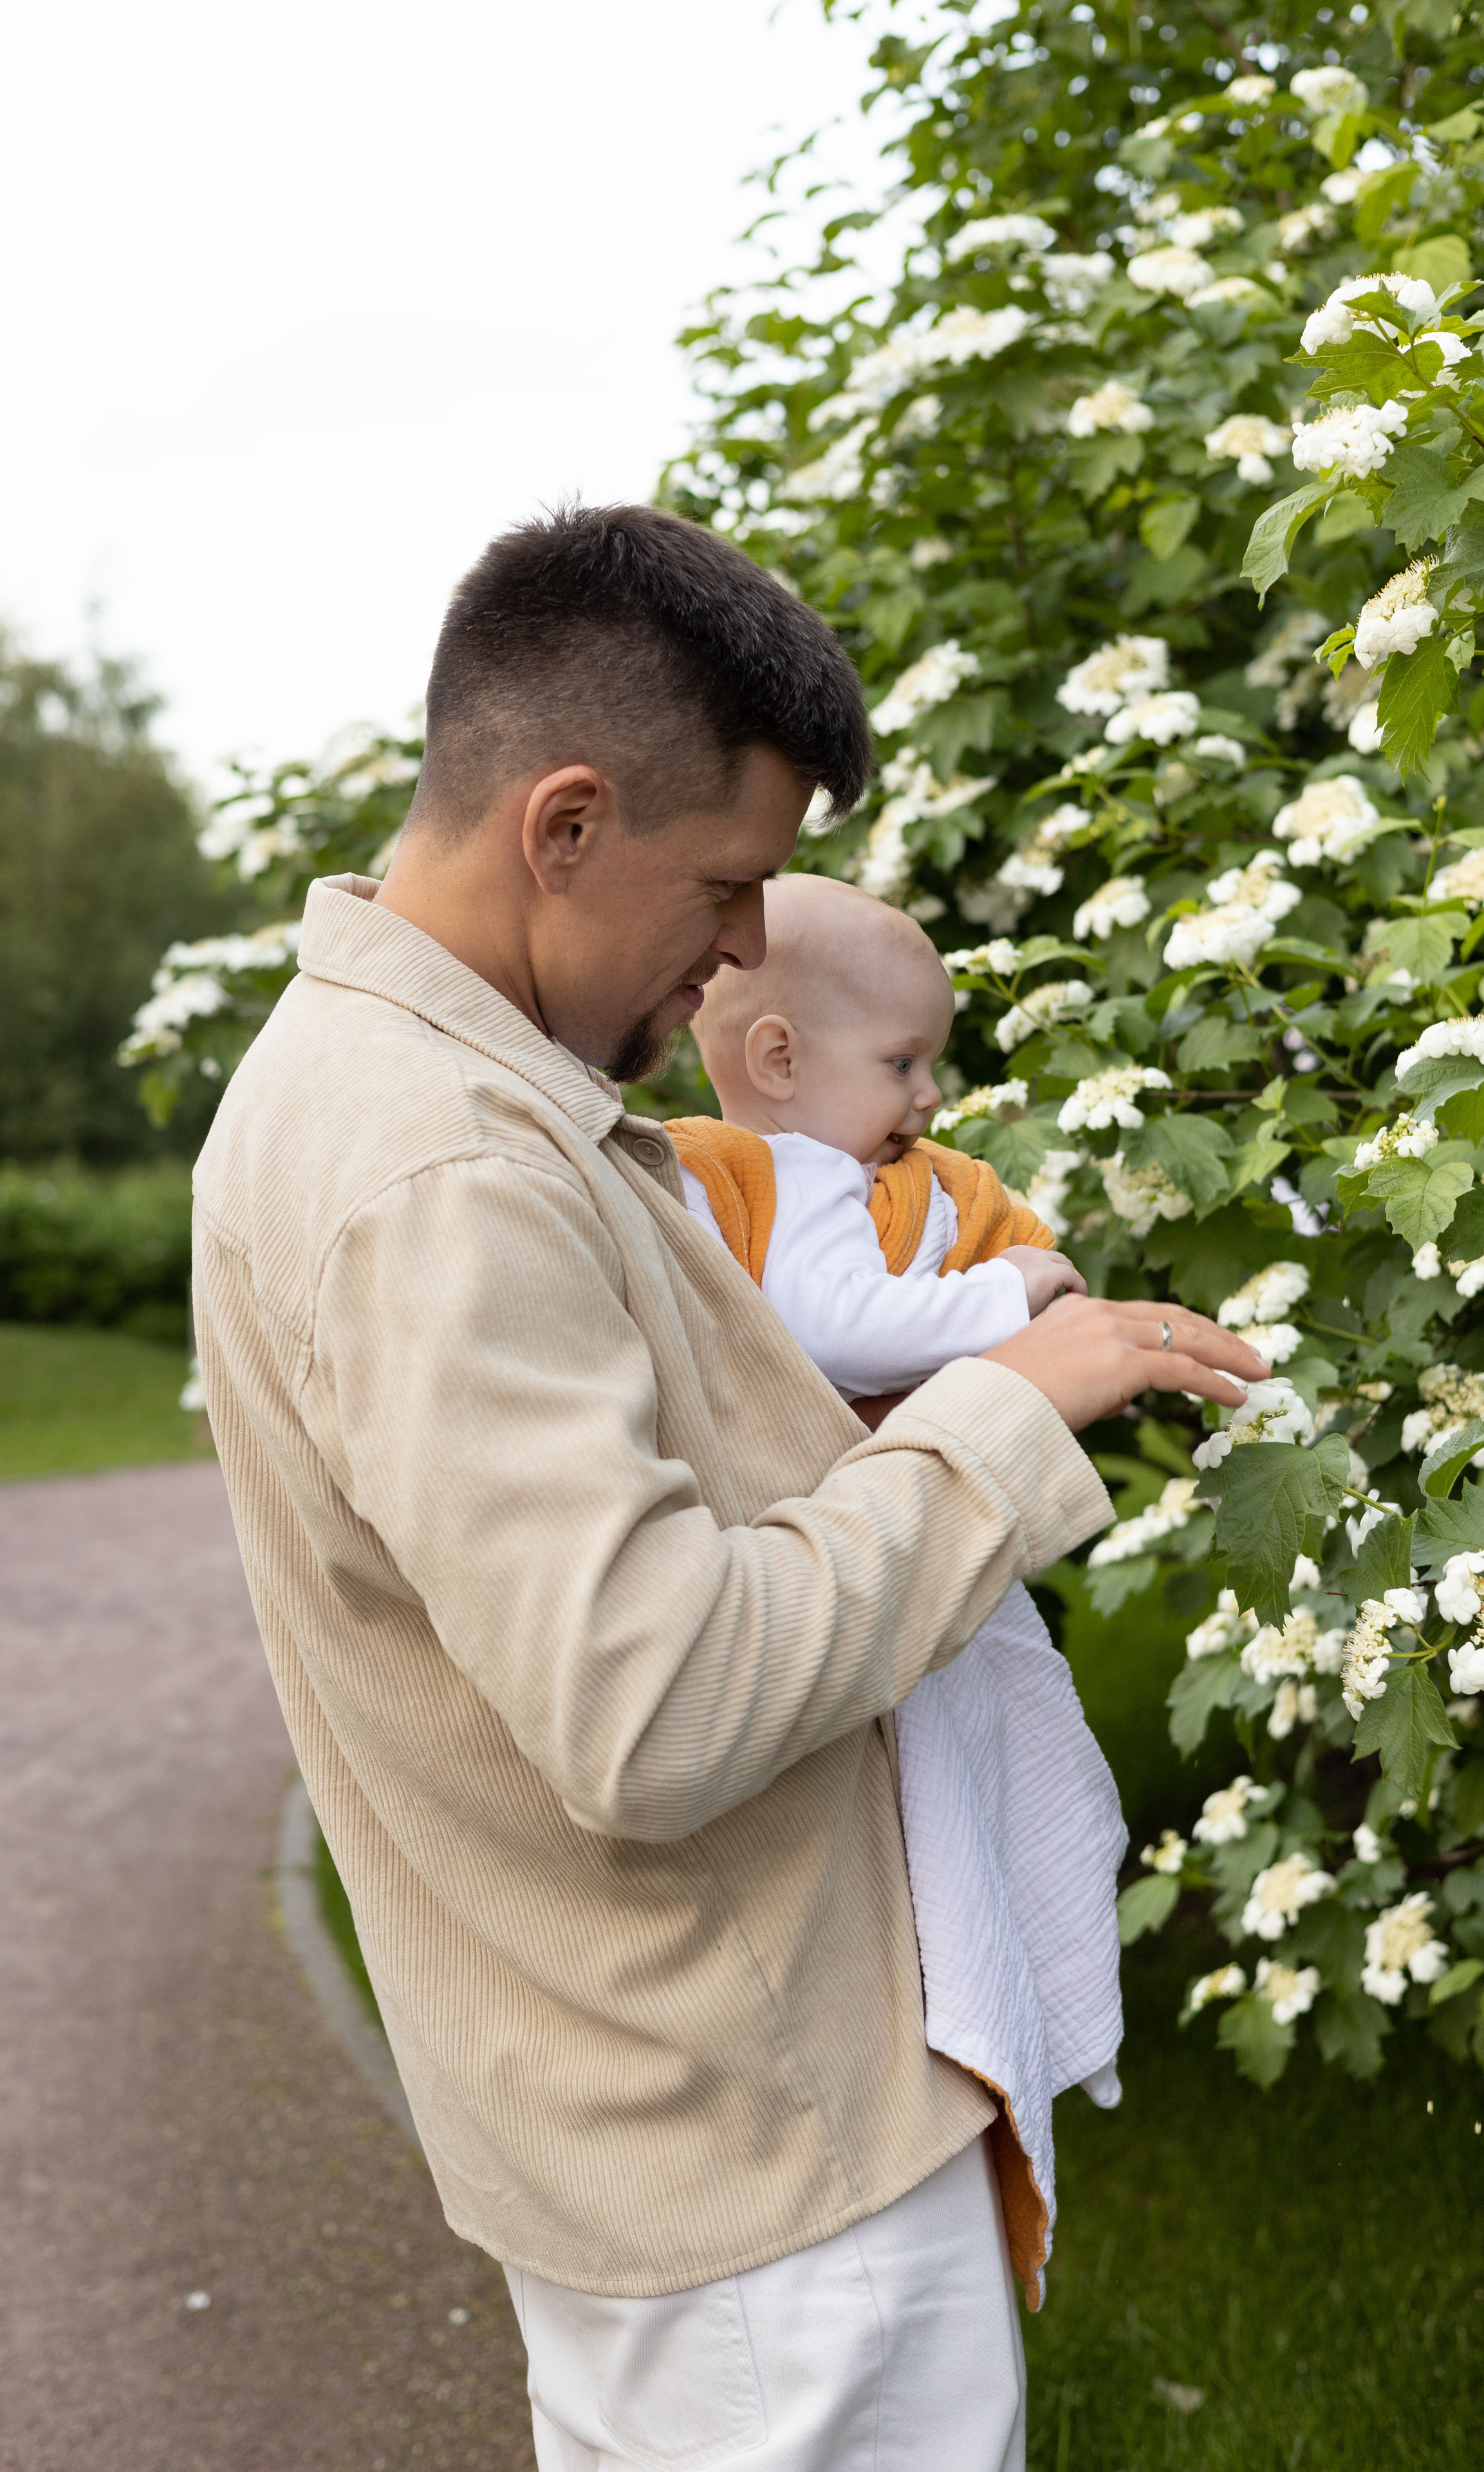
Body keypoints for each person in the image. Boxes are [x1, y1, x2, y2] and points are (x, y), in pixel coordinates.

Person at [190, 503, 1266, 2472]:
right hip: (765, 2178)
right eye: (731, 881)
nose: (752, 950)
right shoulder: (441, 1171)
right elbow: (657, 1706)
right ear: (568, 825)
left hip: (670, 2133)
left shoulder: (427, 1092)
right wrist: (1005, 1418)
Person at [673, 870, 1131, 2314]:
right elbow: (832, 1320)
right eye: (902, 1063)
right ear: (778, 1063)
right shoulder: (792, 1176)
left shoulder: (835, 1178)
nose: (928, 1096)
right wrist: (1022, 1308)